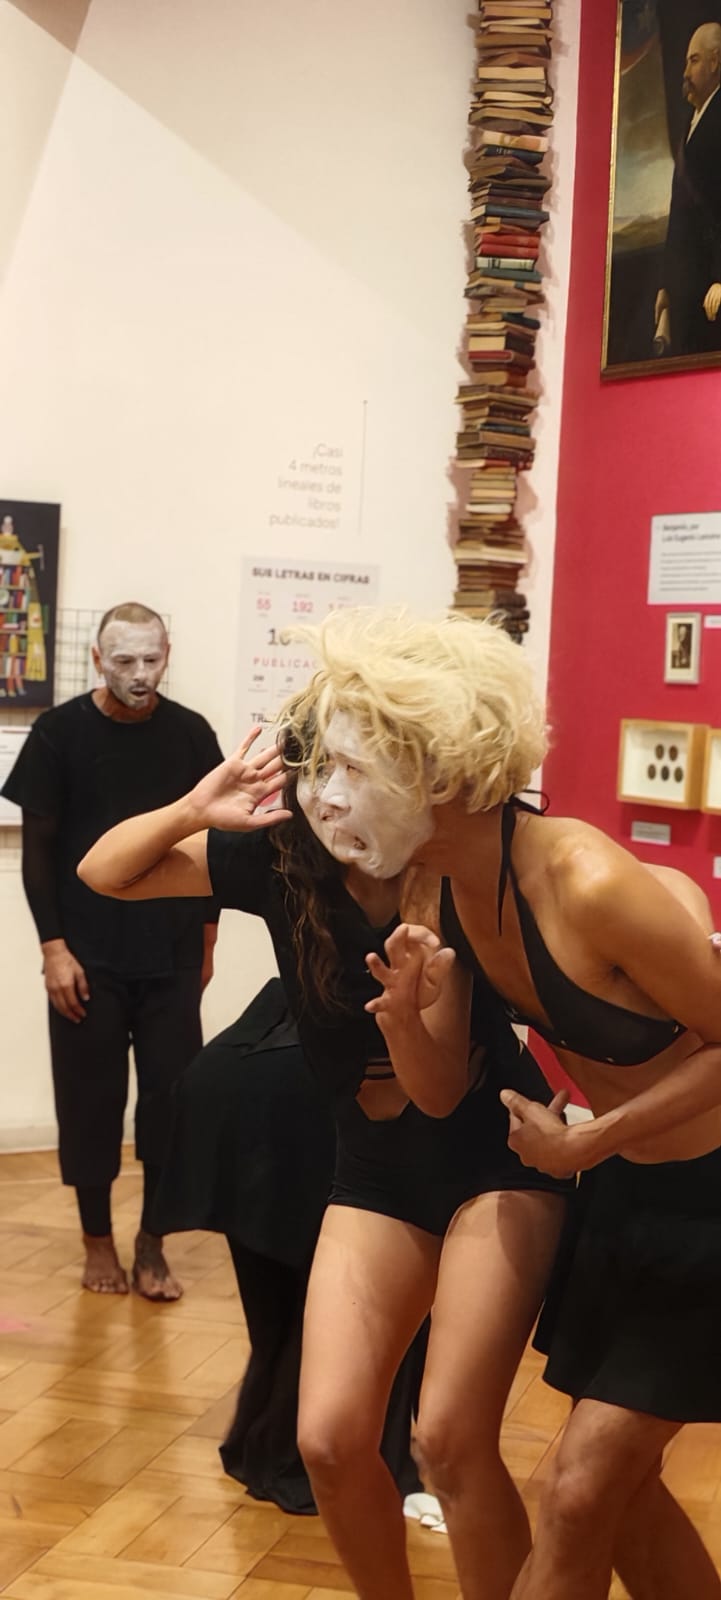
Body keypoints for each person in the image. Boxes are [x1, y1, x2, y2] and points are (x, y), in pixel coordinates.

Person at [272, 604, 721, 1600]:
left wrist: (593, 1138)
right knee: (623, 1500)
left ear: (439, 769)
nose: (327, 798)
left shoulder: (583, 879)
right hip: (629, 1201)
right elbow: (437, 1094)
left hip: (706, 1198)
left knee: (576, 1492)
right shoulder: (435, 886)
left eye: (355, 768)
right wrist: (401, 1020)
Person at [78, 722, 572, 1600]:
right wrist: (194, 807)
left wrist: (402, 1011)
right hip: (374, 1169)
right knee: (330, 1441)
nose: (338, 796)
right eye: (325, 772)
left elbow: (435, 1093)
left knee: (447, 1441)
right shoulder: (284, 859)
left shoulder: (448, 867)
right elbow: (103, 871)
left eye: (361, 772)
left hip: (496, 1160)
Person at [1, 601, 223, 1299]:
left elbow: (213, 844)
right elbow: (39, 856)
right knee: (90, 1102)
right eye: (124, 660)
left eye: (151, 658)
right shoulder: (58, 734)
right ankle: (97, 1241)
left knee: (170, 1102)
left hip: (171, 954)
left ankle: (153, 1242)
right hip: (86, 958)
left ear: (168, 654)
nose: (139, 673)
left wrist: (207, 942)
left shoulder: (191, 735)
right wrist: (53, 949)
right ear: (97, 659)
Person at [151, 974, 429, 1517]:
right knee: (363, 1303)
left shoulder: (318, 959)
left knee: (280, 1315)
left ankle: (262, 1445)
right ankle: (309, 1457)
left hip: (231, 1082)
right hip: (309, 1102)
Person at [655, 22, 721, 358]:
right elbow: (680, 212)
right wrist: (667, 284)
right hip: (686, 286)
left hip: (710, 287)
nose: (685, 72)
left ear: (715, 61)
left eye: (694, 61)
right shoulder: (692, 122)